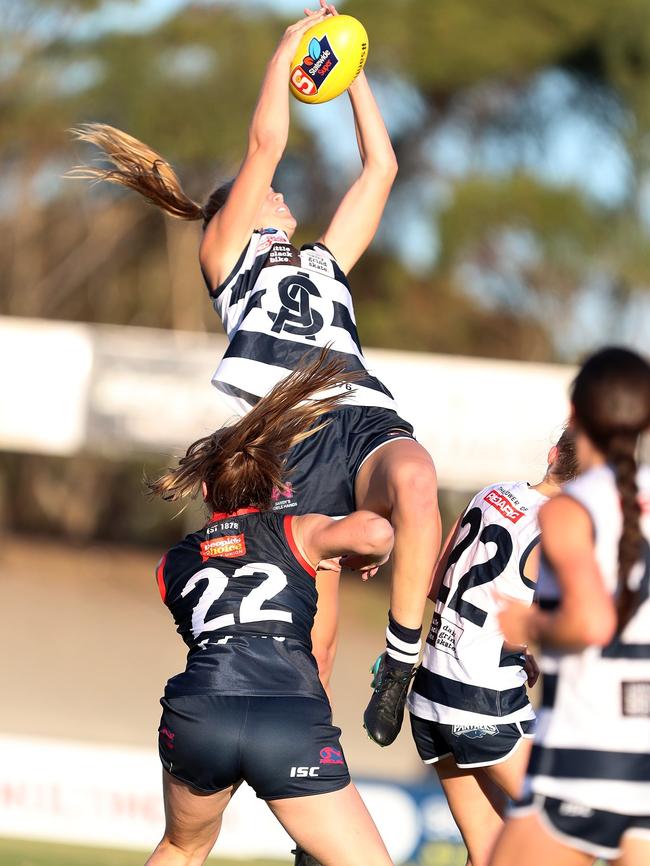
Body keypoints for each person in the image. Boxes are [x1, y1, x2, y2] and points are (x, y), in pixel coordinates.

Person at [70, 0, 441, 749]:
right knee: (317, 645)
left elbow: (383, 168)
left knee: (420, 485)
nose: (274, 192)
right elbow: (268, 139)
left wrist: (353, 69)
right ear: (225, 218)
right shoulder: (227, 258)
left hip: (359, 414)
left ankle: (402, 657)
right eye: (259, 193)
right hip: (286, 435)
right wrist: (290, 47)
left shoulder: (324, 263)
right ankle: (311, 789)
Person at [146, 349, 395, 866]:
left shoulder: (171, 563)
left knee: (182, 848)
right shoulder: (298, 529)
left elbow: (225, 570)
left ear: (207, 488)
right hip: (286, 717)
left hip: (199, 714)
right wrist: (345, 556)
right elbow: (376, 531)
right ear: (272, 485)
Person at [491, 346, 650, 866]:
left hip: (586, 754)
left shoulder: (571, 508)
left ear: (575, 412)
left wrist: (529, 622)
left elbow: (591, 619)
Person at [407, 430, 578, 866]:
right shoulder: (559, 529)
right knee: (569, 827)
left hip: (430, 692)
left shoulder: (490, 493)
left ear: (553, 453)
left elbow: (434, 584)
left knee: (490, 849)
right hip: (485, 701)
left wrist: (517, 650)